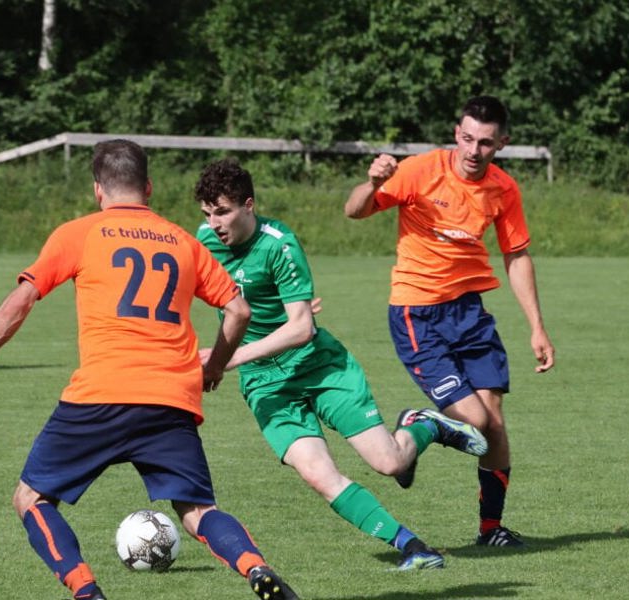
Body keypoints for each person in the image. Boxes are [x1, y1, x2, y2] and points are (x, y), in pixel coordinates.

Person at [0, 140, 298, 600]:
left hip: (100, 396)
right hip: (171, 399)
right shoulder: (184, 242)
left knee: (30, 499)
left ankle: (86, 591)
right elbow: (239, 310)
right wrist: (213, 367)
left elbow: (22, 300)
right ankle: (255, 567)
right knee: (197, 511)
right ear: (148, 187)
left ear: (98, 189)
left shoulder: (79, 233)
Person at [193, 159, 488, 571]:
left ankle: (424, 425)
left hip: (318, 366)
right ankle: (411, 546)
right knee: (317, 474)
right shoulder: (203, 241)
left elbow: (301, 328)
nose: (214, 224)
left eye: (222, 212)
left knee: (390, 463)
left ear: (248, 205)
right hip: (265, 384)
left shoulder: (279, 243)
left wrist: (228, 358)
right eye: (207, 213)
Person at [344, 96, 555, 548]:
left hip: (469, 313)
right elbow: (355, 210)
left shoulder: (503, 189)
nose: (474, 150)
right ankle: (420, 423)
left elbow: (517, 255)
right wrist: (373, 182)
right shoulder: (420, 170)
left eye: (485, 142)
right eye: (467, 138)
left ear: (502, 143)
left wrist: (537, 326)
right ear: (457, 133)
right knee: (474, 419)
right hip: (416, 314)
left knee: (493, 423)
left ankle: (490, 529)